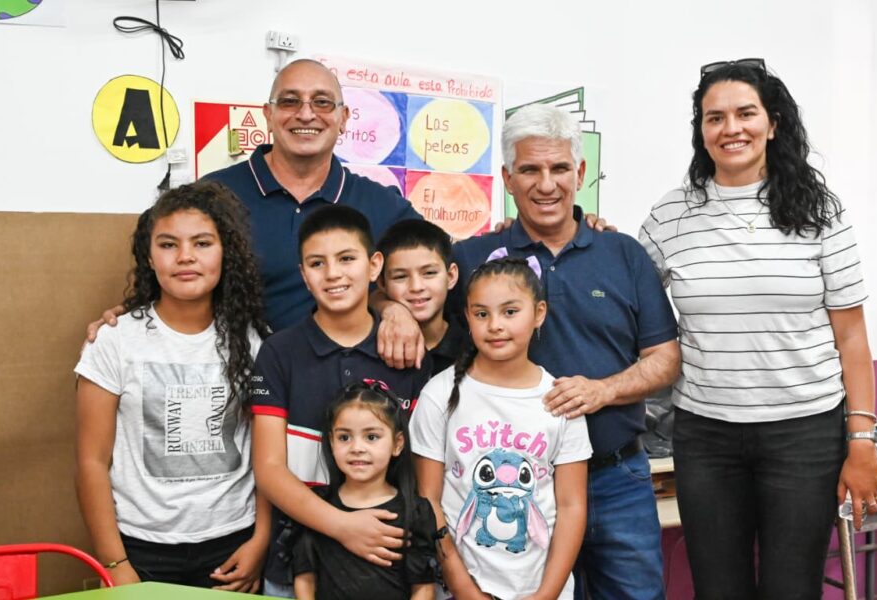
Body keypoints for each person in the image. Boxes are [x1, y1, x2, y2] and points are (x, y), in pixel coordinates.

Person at [638, 58, 877, 599]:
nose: (732, 128)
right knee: (718, 589)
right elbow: (627, 289)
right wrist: (587, 231)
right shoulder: (670, 216)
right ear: (701, 131)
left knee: (791, 589)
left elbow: (853, 339)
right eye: (715, 117)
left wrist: (861, 442)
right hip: (705, 436)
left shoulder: (821, 212)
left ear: (773, 123)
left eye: (746, 113)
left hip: (804, 435)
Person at [447, 104, 680, 600]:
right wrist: (395, 311)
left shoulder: (624, 254)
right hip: (510, 488)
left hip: (615, 479)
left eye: (559, 169)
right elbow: (414, 305)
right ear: (508, 178)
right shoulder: (472, 259)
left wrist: (603, 391)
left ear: (580, 172)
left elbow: (666, 358)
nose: (546, 184)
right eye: (530, 170)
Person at [74, 181, 270, 591]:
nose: (185, 257)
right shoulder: (115, 340)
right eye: (168, 244)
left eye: (202, 243)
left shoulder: (253, 341)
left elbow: (268, 455)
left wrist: (261, 540)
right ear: (149, 256)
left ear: (225, 252)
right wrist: (115, 563)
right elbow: (91, 462)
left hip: (233, 542)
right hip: (141, 547)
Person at [249, 204, 431, 597]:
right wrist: (342, 526)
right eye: (317, 263)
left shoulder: (405, 350)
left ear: (374, 265)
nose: (333, 274)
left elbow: (420, 472)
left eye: (347, 259)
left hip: (391, 570)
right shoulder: (279, 353)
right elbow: (269, 468)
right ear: (303, 274)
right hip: (297, 569)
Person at [410, 257, 592, 599]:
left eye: (510, 312)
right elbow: (428, 500)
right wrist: (464, 588)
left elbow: (572, 506)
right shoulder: (439, 395)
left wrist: (546, 594)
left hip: (542, 588)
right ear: (467, 317)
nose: (495, 325)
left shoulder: (560, 400)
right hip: (459, 589)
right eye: (481, 314)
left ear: (539, 313)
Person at [205, 58, 422, 332]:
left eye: (322, 102)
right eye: (290, 101)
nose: (306, 114)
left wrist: (389, 306)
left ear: (343, 118)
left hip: (349, 361)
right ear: (268, 115)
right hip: (240, 359)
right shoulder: (212, 198)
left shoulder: (383, 206)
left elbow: (442, 270)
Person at [291, 381, 436, 600]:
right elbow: (305, 579)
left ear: (397, 443)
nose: (357, 448)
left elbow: (423, 588)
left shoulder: (415, 512)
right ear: (331, 442)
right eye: (344, 437)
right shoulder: (317, 506)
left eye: (371, 437)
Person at [377, 219, 466, 376]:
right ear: (382, 283)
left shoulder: (475, 348)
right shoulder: (372, 349)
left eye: (429, 273)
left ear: (451, 276)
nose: (416, 287)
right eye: (400, 276)